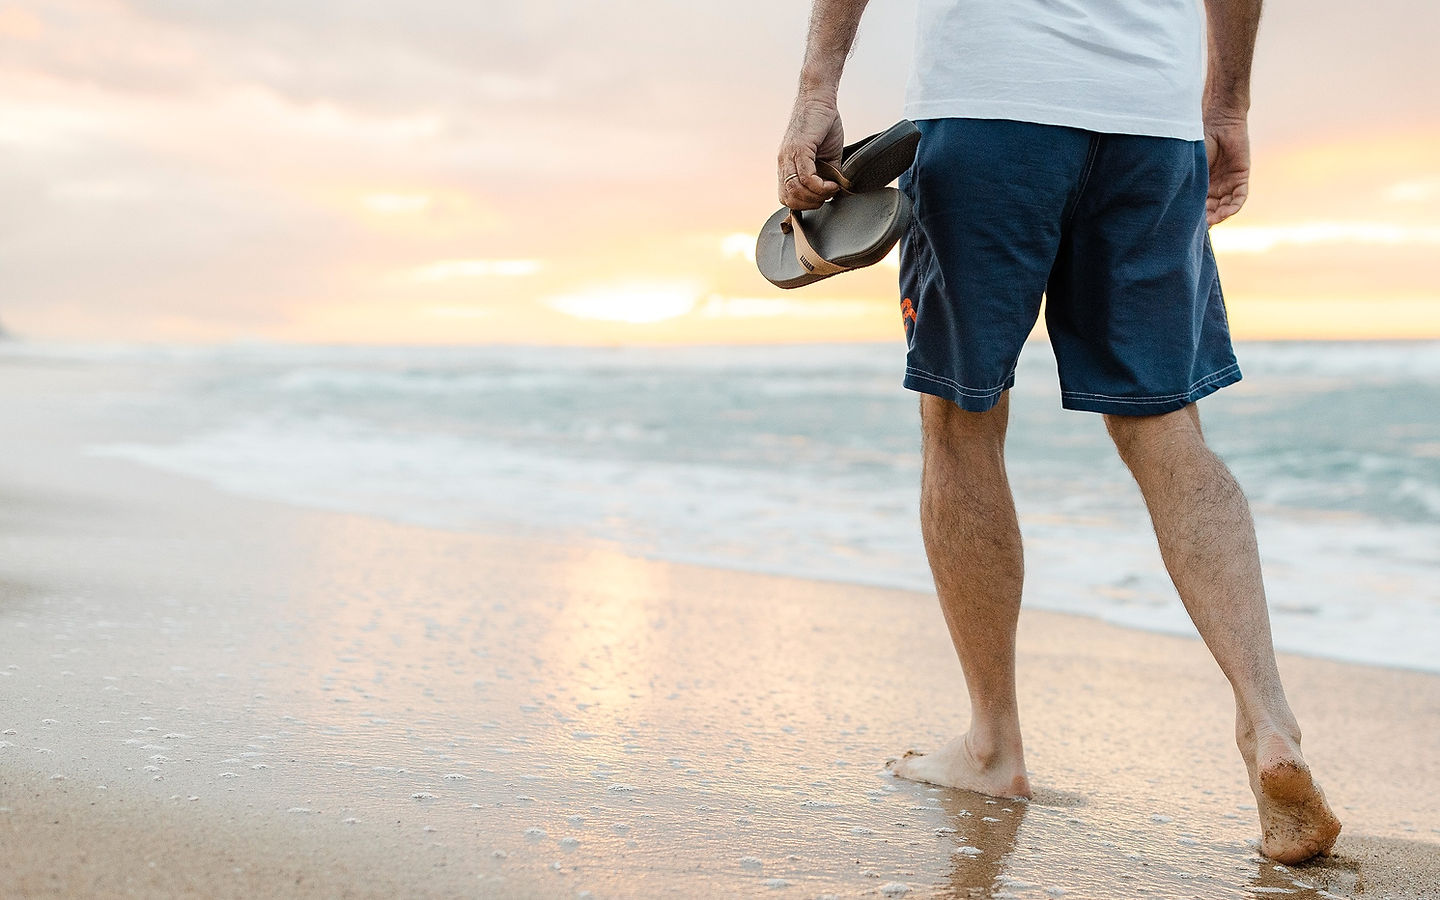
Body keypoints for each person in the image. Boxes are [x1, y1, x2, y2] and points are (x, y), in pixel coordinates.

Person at [774, 0, 1342, 865]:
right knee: (1169, 434)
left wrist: (817, 87)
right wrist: (1227, 106)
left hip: (988, 109)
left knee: (961, 421)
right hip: (1148, 122)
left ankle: (994, 747)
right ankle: (1269, 724)